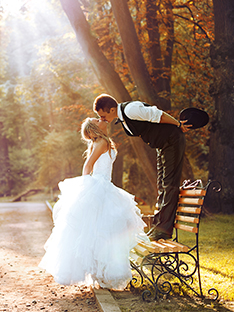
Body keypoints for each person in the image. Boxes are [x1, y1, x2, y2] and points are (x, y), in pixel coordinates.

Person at [39, 117, 148, 290]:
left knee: (100, 230)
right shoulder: (102, 142)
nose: (101, 119)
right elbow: (87, 166)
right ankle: (104, 273)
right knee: (103, 231)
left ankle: (101, 273)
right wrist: (86, 186)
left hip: (104, 185)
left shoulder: (100, 142)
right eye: (97, 120)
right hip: (100, 185)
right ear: (94, 128)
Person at [93, 94, 190, 241]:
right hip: (162, 146)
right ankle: (158, 226)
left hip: (172, 141)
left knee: (169, 184)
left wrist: (178, 125)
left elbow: (159, 115)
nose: (102, 119)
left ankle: (163, 230)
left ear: (112, 109)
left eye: (103, 115)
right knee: (161, 184)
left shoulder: (131, 109)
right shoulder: (122, 118)